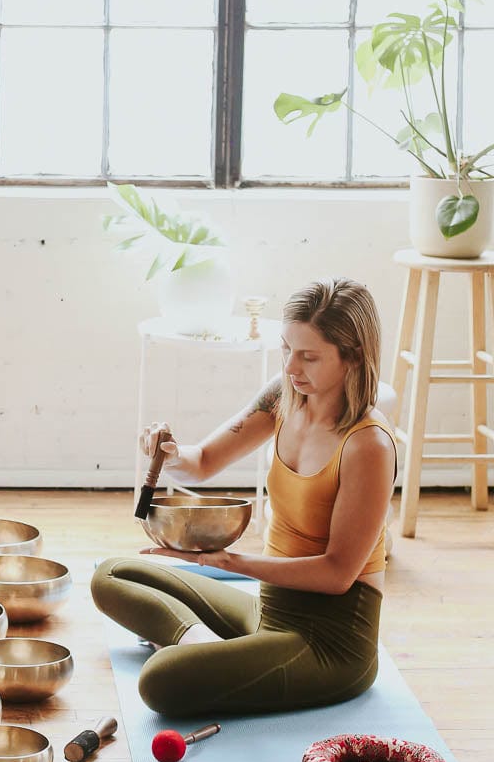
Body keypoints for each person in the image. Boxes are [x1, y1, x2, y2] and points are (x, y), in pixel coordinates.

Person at [92, 278, 397, 719]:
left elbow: (336, 576)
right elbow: (203, 462)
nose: (292, 367)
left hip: (330, 642)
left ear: (351, 357)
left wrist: (231, 564)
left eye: (309, 356)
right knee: (113, 574)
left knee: (160, 681)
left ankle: (197, 652)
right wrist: (170, 453)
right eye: (286, 349)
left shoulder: (369, 445)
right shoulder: (284, 395)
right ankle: (203, 645)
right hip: (269, 608)